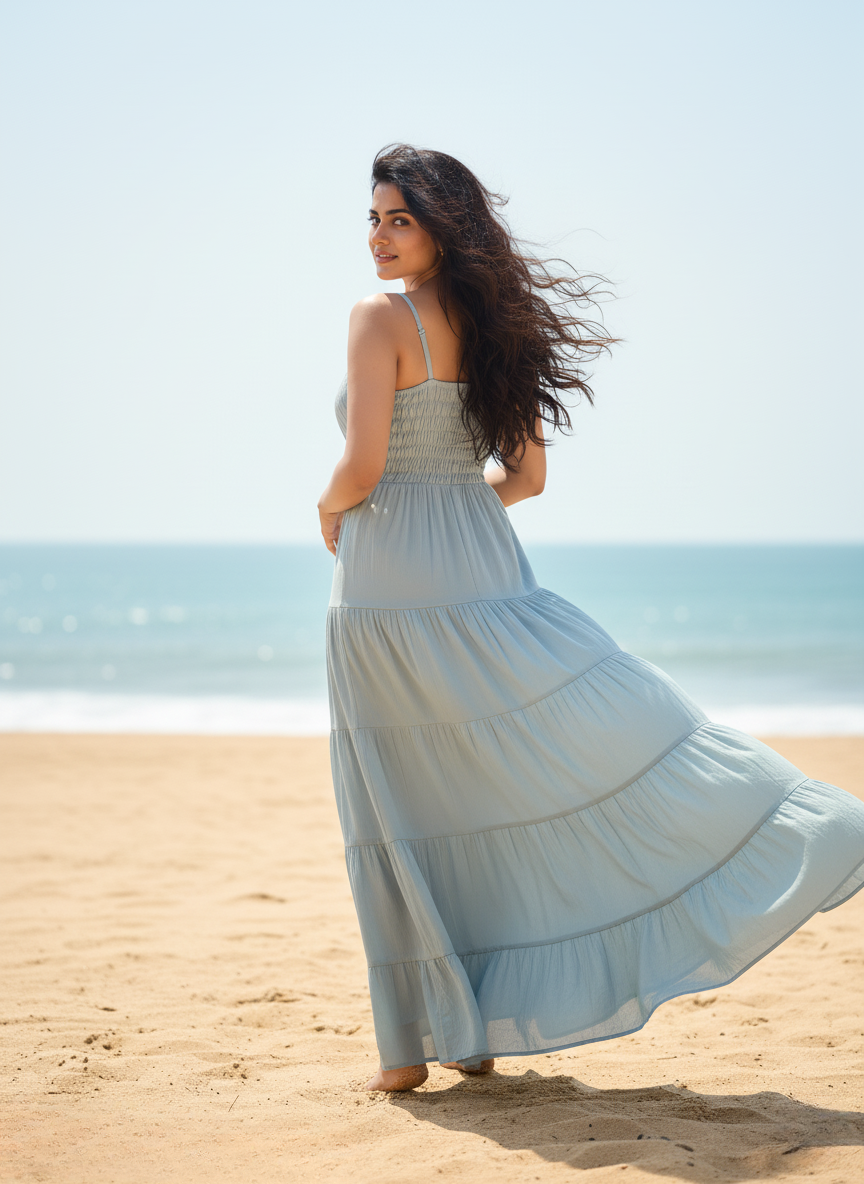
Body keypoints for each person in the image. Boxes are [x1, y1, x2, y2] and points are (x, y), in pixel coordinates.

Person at [316, 144, 864, 1093]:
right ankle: (470, 1034)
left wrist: (330, 509)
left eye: (399, 218)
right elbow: (524, 478)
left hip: (386, 583)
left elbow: (362, 467)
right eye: (373, 218)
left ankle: (409, 1050)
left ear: (444, 225)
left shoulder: (379, 317)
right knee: (483, 787)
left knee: (398, 800)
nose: (379, 236)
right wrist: (454, 500)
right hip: (483, 565)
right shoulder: (499, 330)